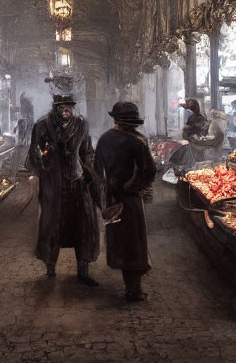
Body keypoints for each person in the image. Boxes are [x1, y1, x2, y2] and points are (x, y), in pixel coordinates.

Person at [26, 94, 100, 284]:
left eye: (69, 105)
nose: (66, 109)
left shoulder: (81, 124)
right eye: (63, 106)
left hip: (77, 182)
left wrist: (91, 173)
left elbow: (87, 152)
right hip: (53, 183)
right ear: (55, 107)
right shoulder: (43, 125)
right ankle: (50, 268)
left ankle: (83, 271)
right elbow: (34, 151)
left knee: (83, 226)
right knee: (52, 225)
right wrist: (38, 167)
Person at [94, 102, 156, 302]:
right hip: (130, 200)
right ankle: (134, 290)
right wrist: (133, 187)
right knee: (135, 243)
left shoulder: (104, 140)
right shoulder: (138, 141)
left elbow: (97, 174)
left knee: (120, 242)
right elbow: (149, 172)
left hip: (111, 199)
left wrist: (102, 200)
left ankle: (130, 287)